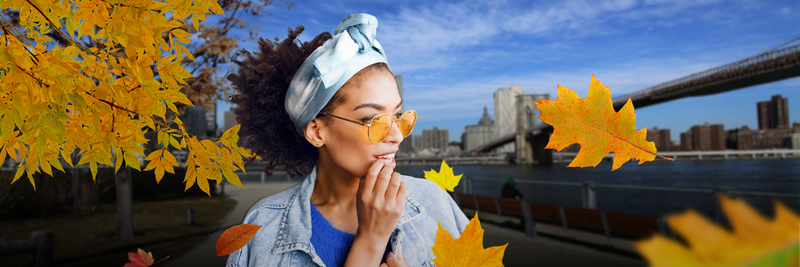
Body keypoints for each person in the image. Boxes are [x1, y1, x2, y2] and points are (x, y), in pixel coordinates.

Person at [224, 14, 469, 267]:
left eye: (398, 116)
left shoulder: (434, 202)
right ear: (317, 132)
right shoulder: (261, 228)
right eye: (372, 120)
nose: (396, 136)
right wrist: (371, 241)